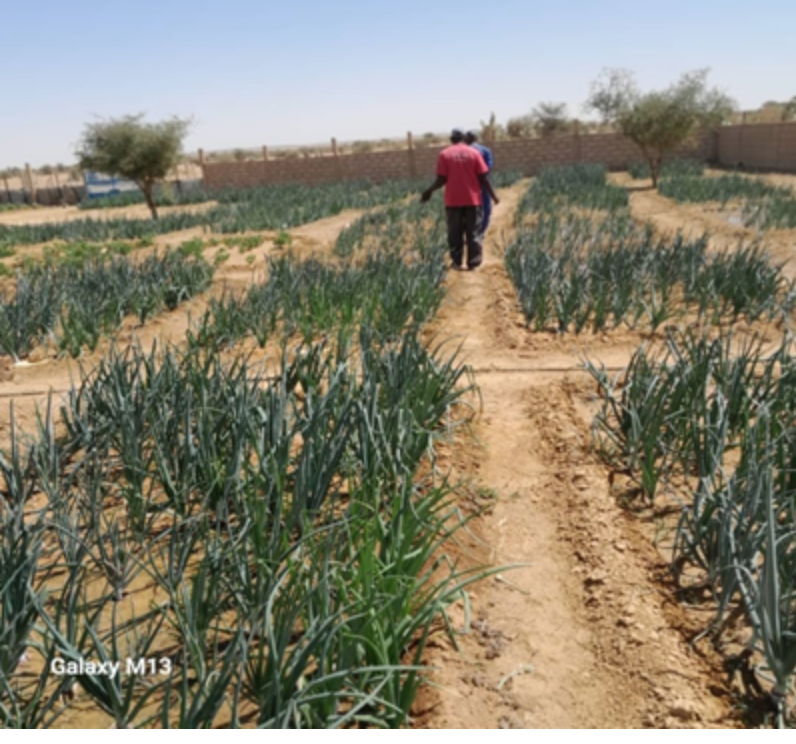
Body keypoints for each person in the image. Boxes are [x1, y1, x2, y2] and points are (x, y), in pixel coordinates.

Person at [421, 128, 499, 271]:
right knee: (473, 231)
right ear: (464, 139)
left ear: (451, 140)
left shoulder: (444, 154)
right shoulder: (475, 153)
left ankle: (457, 262)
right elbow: (483, 177)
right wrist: (493, 196)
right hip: (473, 199)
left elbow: (441, 179)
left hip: (453, 200)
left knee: (454, 232)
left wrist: (429, 191)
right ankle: (473, 262)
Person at [464, 130, 494, 238]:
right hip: (483, 183)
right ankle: (481, 231)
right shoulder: (485, 151)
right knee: (485, 208)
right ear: (476, 138)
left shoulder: (463, 152)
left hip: (468, 184)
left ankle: (470, 232)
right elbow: (488, 168)